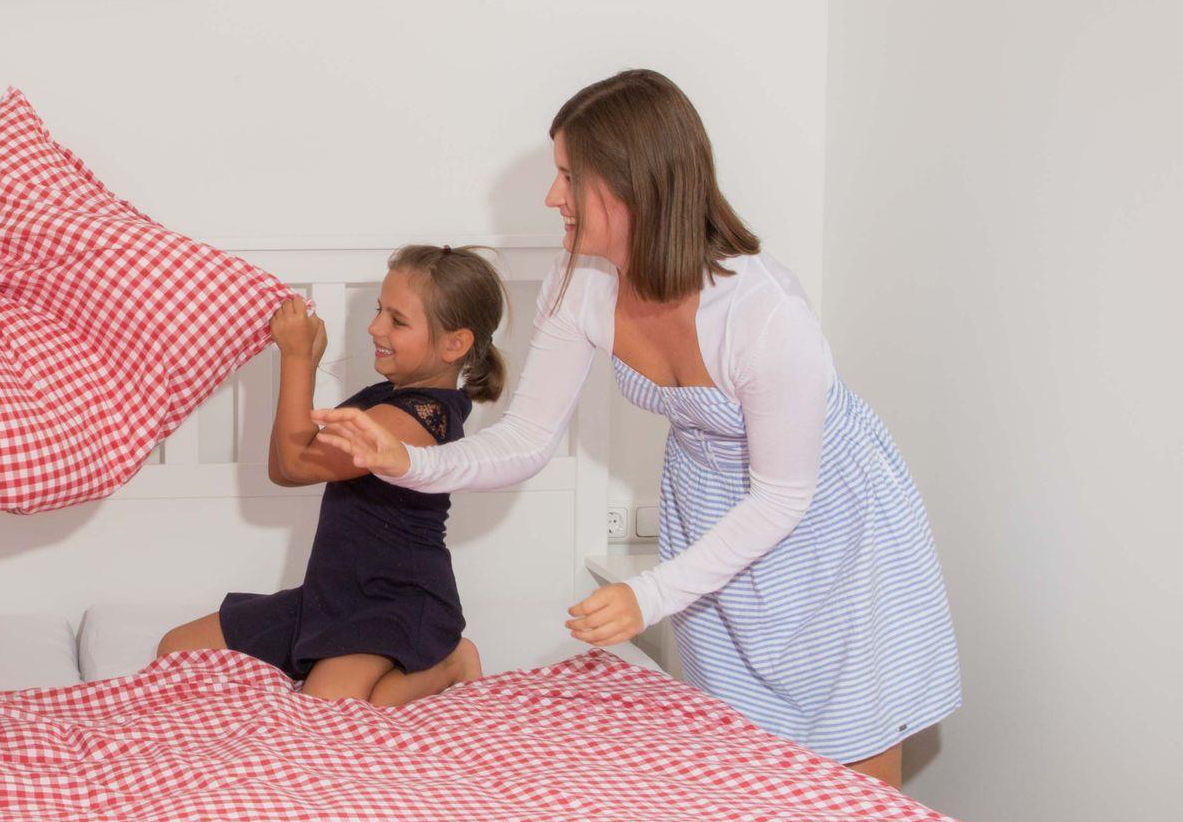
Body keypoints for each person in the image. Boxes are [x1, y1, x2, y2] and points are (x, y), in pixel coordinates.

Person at [315, 70, 959, 783]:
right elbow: (526, 438)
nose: (552, 196)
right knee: (745, 764)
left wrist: (647, 594)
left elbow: (782, 498)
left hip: (828, 530)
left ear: (632, 185)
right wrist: (410, 463)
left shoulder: (764, 316)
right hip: (711, 517)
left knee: (853, 777)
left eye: (569, 177)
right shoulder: (582, 283)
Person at [156, 246, 502, 705]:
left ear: (454, 344)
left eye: (397, 321)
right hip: (331, 598)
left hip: (393, 604)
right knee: (177, 653)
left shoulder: (418, 419)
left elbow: (296, 464)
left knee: (329, 711)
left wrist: (297, 359)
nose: (375, 327)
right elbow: (285, 467)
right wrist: (302, 361)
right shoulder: (384, 398)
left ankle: (452, 660)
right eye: (379, 310)